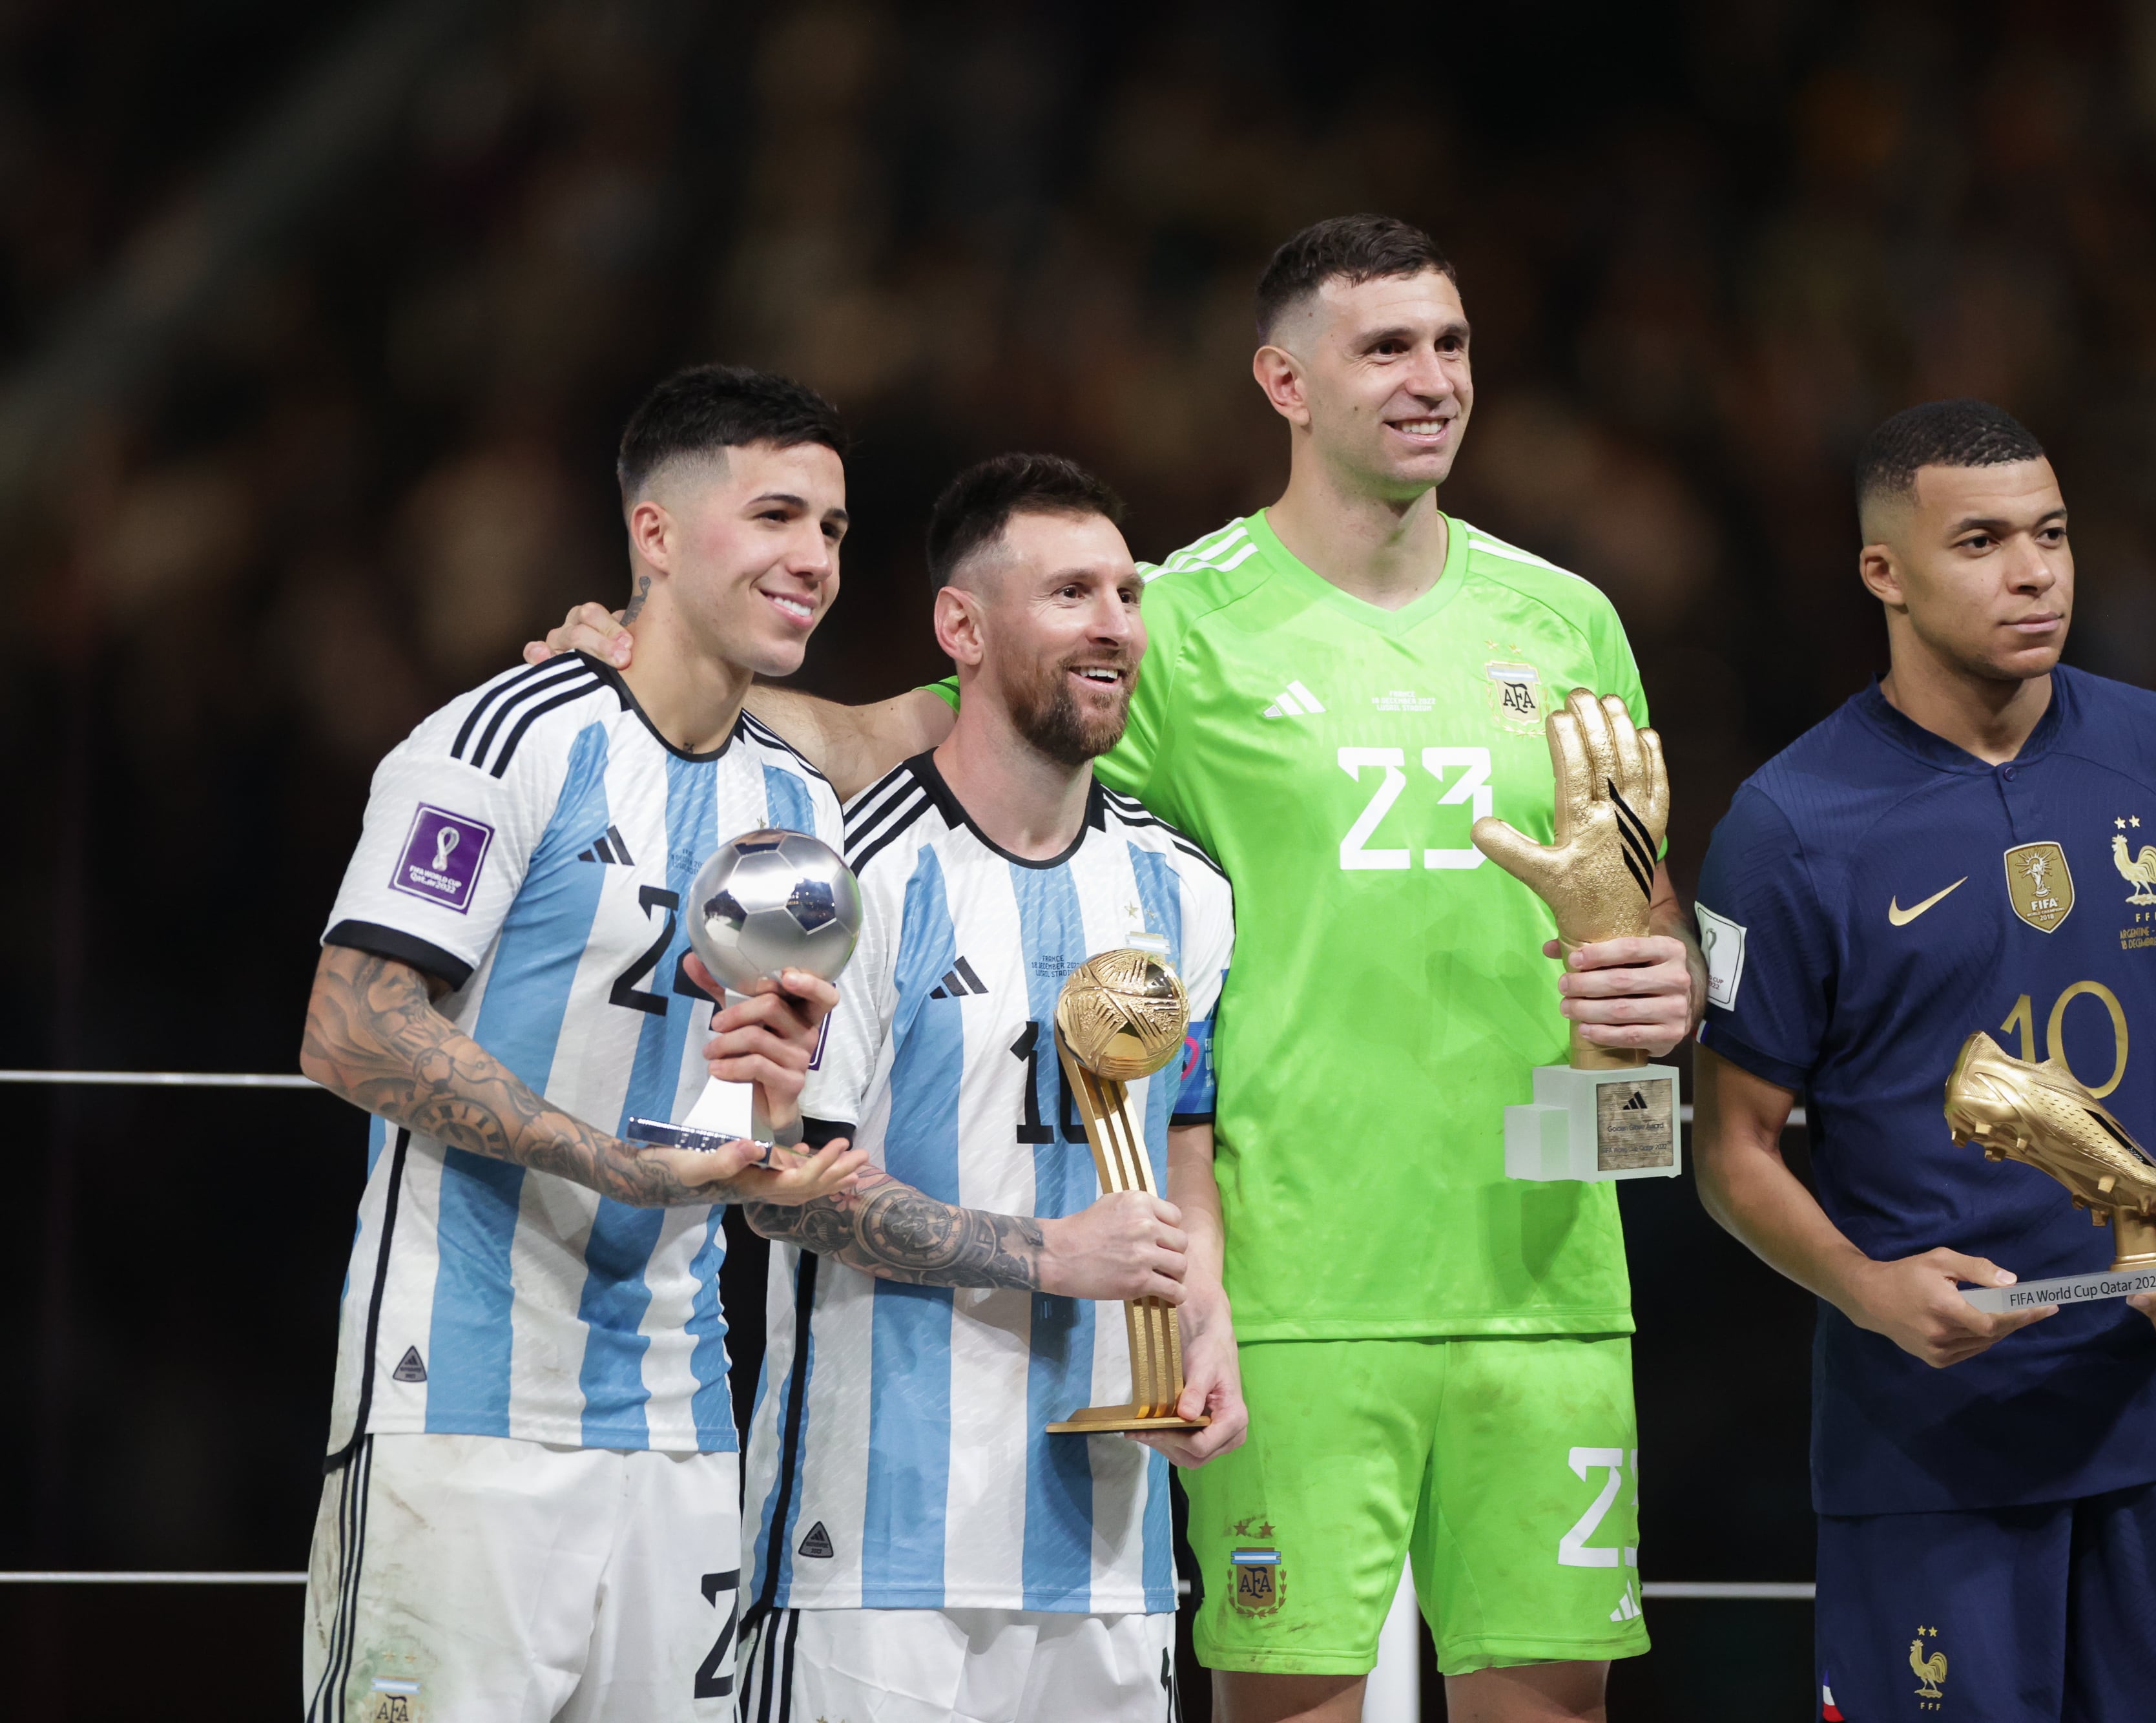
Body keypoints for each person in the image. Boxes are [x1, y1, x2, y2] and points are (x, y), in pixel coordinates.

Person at [533, 215, 1697, 1722]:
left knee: (1554, 1705)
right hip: (1289, 1278)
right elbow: (919, 732)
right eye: (1387, 347)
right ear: (1281, 379)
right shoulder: (1180, 617)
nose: (1432, 379)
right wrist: (653, 666)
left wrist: (1663, 981)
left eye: (1452, 344)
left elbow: (1641, 903)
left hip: (1545, 1268)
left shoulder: (1566, 619)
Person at [1690, 399, 2156, 1721]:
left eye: (2050, 533)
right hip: (1927, 1447)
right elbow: (1729, 1150)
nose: (2032, 571)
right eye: (1978, 540)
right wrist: (1865, 1290)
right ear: (1882, 573)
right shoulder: (1787, 825)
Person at [297, 365, 873, 1723]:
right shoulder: (511, 735)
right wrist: (612, 1161)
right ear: (655, 537)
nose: (813, 559)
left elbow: (764, 1114)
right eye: (777, 514)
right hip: (459, 1409)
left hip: (679, 1420)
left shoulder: (797, 809)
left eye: (835, 530)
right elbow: (350, 1023)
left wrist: (779, 1145)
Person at [728, 452, 1240, 1721]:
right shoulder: (842, 877)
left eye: (1125, 591)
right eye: (1069, 591)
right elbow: (779, 1190)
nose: (1114, 621)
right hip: (872, 1550)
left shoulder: (1185, 888)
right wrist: (1045, 1253)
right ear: (961, 625)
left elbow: (1181, 1131)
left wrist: (1203, 1318)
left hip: (1108, 1546)